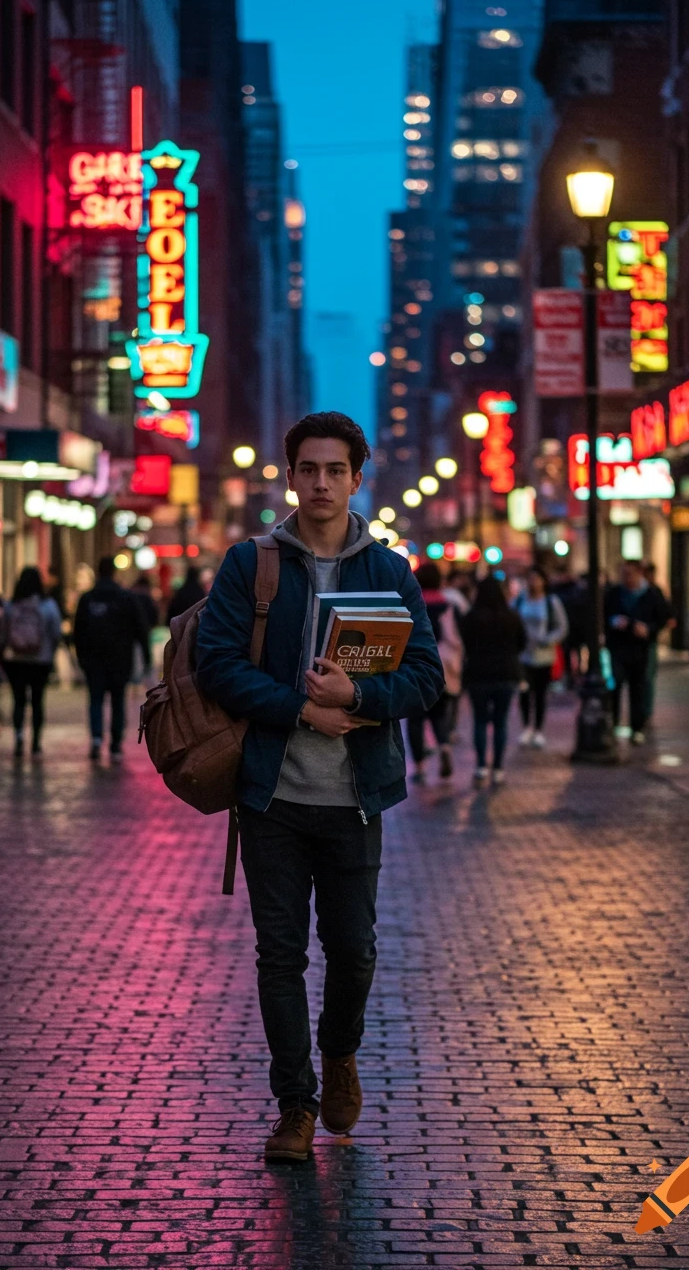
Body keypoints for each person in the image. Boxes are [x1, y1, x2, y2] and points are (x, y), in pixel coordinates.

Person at [196, 411, 443, 1164]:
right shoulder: (252, 563)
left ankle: (340, 1053)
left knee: (355, 951)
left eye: (337, 470)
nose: (323, 483)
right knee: (280, 956)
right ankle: (295, 1105)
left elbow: (427, 677)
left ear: (358, 478)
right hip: (271, 793)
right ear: (291, 475)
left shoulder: (388, 571)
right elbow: (217, 664)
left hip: (355, 797)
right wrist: (301, 707)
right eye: (310, 469)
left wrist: (359, 701)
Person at [73, 556, 151, 763]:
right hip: (120, 659)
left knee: (96, 699)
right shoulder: (126, 597)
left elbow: (78, 631)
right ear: (114, 572)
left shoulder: (88, 599)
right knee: (118, 700)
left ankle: (97, 738)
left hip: (94, 660)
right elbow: (141, 630)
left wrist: (81, 657)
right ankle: (116, 743)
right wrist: (147, 657)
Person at [461, 575, 527, 783]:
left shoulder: (471, 617)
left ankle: (481, 765)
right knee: (501, 721)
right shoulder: (511, 616)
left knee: (480, 721)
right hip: (506, 674)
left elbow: (466, 644)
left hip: (478, 675)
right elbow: (522, 643)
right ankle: (498, 767)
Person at [0, 567, 63, 759]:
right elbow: (56, 633)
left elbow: (3, 633)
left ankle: (19, 738)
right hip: (41, 660)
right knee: (38, 701)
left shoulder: (11, 605)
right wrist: (51, 651)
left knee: (19, 701)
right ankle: (36, 743)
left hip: (16, 660)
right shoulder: (48, 605)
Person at [406, 562, 464, 781]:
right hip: (442, 668)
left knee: (415, 719)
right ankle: (445, 748)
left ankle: (420, 768)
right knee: (439, 714)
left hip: (414, 668)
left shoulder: (411, 605)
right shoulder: (449, 605)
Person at [604, 559, 669, 745]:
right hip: (618, 647)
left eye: (630, 574)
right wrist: (613, 623)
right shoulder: (614, 593)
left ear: (639, 573)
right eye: (624, 574)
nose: (627, 578)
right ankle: (615, 723)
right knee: (615, 684)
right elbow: (602, 615)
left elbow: (663, 618)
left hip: (641, 648)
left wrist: (648, 629)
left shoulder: (652, 593)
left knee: (638, 688)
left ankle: (637, 727)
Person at [513, 567, 568, 748]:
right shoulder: (520, 600)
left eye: (537, 579)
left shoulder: (551, 602)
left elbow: (562, 627)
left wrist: (548, 640)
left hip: (544, 655)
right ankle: (527, 727)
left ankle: (538, 729)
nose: (533, 583)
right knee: (524, 692)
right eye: (530, 578)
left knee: (540, 693)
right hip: (523, 655)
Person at [641, 560, 676, 728]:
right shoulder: (625, 592)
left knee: (647, 677)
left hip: (648, 642)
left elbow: (665, 616)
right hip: (631, 644)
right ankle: (642, 711)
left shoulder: (655, 591)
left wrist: (650, 629)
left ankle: (645, 711)